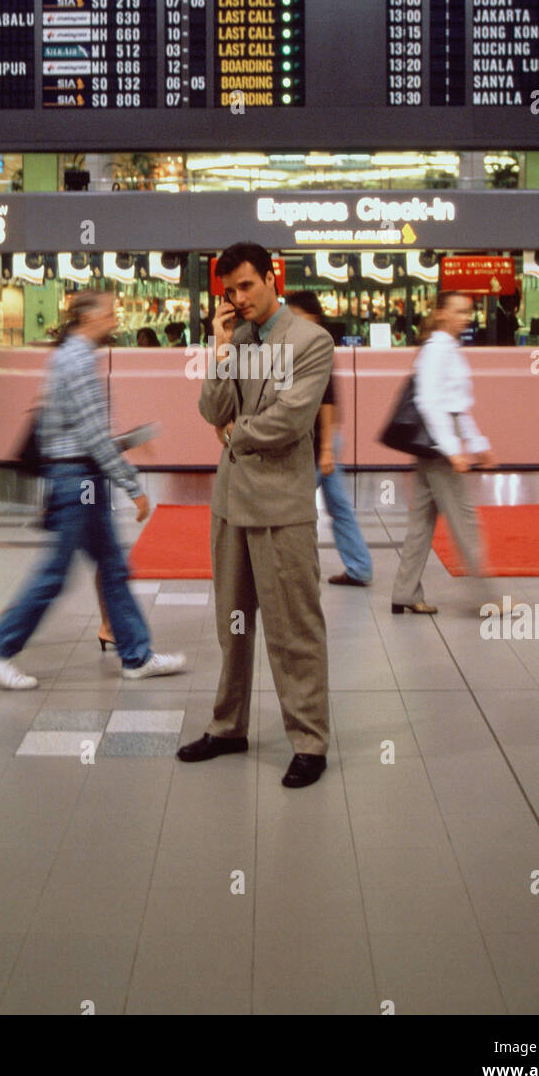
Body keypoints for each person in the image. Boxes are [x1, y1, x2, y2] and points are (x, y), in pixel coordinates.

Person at [177, 242, 334, 789]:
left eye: (247, 286)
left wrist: (232, 436)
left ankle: (309, 739)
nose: (238, 299)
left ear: (272, 278)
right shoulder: (238, 341)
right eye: (230, 291)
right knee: (232, 626)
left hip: (281, 507)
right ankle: (228, 727)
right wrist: (220, 349)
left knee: (294, 628)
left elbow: (289, 421)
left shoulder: (311, 341)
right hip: (231, 504)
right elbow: (211, 410)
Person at [0, 289, 186, 689]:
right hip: (76, 481)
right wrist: (132, 486)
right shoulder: (75, 360)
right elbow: (93, 436)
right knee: (54, 574)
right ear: (88, 318)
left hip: (81, 478)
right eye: (109, 313)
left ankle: (136, 656)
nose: (115, 319)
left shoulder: (77, 356)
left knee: (111, 567)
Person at [391, 291, 495, 616]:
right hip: (438, 446)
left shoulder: (447, 349)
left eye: (468, 312)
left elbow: (457, 405)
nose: (466, 318)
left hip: (435, 444)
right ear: (440, 314)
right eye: (459, 311)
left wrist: (476, 443)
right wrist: (453, 450)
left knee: (421, 523)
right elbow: (430, 402)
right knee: (465, 521)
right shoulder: (437, 350)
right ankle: (487, 597)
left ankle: (404, 592)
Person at [285, 291, 373, 588]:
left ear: (312, 316)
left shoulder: (315, 345)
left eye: (297, 315)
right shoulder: (309, 344)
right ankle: (359, 567)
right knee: (338, 507)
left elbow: (327, 399)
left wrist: (325, 448)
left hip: (318, 444)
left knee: (294, 507)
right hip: (325, 441)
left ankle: (295, 570)